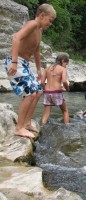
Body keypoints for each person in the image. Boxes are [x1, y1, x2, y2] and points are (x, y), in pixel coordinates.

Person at [4, 4, 56, 138]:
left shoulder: (39, 31)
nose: (50, 24)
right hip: (16, 62)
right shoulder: (33, 24)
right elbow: (16, 38)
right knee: (30, 94)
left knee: (38, 91)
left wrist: (39, 69)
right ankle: (19, 128)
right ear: (42, 15)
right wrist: (14, 62)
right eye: (50, 20)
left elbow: (37, 51)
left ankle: (26, 123)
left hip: (25, 64)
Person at [41, 53, 70, 125]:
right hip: (57, 92)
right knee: (65, 111)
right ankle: (67, 127)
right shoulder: (62, 69)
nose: (66, 66)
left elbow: (42, 82)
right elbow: (64, 81)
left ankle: (41, 126)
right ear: (63, 61)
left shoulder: (47, 68)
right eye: (66, 64)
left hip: (47, 92)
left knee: (46, 113)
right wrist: (67, 89)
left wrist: (45, 90)